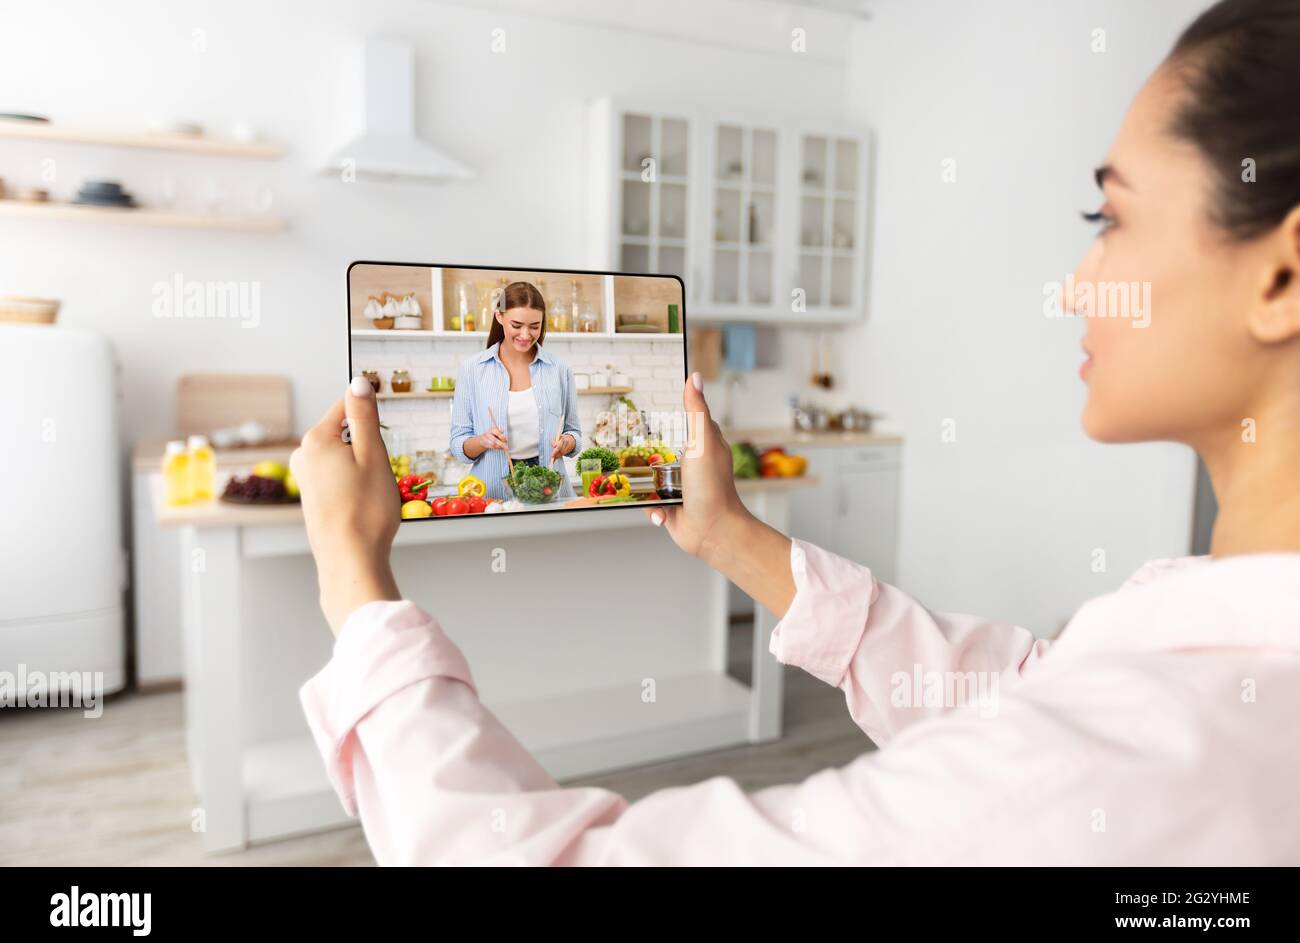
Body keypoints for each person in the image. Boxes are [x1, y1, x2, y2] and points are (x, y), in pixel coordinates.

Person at [289, 0, 1300, 864]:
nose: (1076, 285)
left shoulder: (1124, 759)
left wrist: (353, 573)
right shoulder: (1194, 666)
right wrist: (728, 531)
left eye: (1106, 221)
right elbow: (1020, 689)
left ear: (1282, 273)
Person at [448, 281, 582, 500]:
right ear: (499, 317)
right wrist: (483, 441)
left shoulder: (559, 369)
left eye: (534, 326)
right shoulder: (472, 369)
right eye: (517, 325)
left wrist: (568, 442)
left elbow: (575, 433)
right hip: (492, 495)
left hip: (551, 492)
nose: (525, 334)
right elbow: (458, 445)